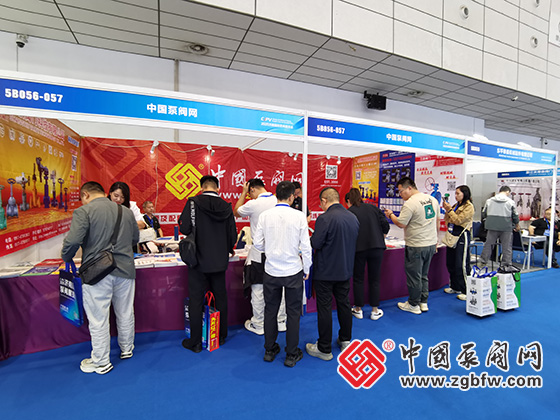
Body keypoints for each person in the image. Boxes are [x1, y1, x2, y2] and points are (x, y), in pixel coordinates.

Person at [61, 181, 139, 375]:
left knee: (98, 318)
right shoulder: (126, 212)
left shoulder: (84, 211)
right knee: (125, 311)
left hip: (97, 272)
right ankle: (127, 349)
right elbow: (135, 239)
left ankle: (101, 361)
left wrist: (66, 257)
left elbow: (73, 241)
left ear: (85, 194)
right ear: (104, 193)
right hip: (126, 269)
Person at [252, 181, 312, 367]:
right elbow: (306, 246)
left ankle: (269, 350)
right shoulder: (299, 216)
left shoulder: (265, 216)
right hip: (293, 270)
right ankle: (291, 354)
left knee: (270, 310)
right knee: (293, 312)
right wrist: (307, 268)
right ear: (292, 197)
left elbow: (257, 244)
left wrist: (270, 251)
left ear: (276, 195)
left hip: (271, 270)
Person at [179, 175, 237, 353]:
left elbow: (185, 228)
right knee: (221, 298)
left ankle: (196, 342)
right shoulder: (226, 206)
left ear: (202, 188)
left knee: (196, 300)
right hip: (219, 261)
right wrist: (227, 248)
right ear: (218, 188)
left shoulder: (192, 203)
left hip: (197, 260)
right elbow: (232, 235)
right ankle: (221, 335)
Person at [306, 187, 359, 361]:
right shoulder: (352, 217)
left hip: (326, 272)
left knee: (325, 308)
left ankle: (324, 347)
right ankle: (345, 340)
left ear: (324, 200)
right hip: (345, 270)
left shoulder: (325, 218)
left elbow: (316, 243)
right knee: (344, 305)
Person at [233, 178, 287, 335]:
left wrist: (243, 192)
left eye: (249, 192)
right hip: (279, 251)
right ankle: (280, 321)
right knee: (280, 287)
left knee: (258, 288)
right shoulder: (277, 200)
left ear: (252, 190)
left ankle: (258, 323)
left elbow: (236, 212)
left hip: (260, 253)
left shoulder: (253, 204)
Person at [384, 177, 439, 315]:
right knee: (424, 275)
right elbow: (437, 221)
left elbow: (401, 223)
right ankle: (423, 302)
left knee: (414, 276)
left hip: (416, 245)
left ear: (409, 188)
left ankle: (413, 304)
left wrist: (391, 215)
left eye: (401, 191)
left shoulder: (410, 203)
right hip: (430, 243)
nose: (400, 195)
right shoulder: (432, 199)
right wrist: (436, 240)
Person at [345, 188, 389, 321]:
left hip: (358, 249)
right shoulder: (373, 208)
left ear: (349, 200)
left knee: (358, 278)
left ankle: (358, 309)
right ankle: (375, 310)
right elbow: (385, 225)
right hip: (377, 247)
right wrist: (381, 237)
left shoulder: (349, 212)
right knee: (374, 279)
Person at [442, 185, 475, 301]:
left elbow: (458, 220)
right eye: (455, 193)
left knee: (461, 264)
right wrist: (448, 210)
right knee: (450, 262)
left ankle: (467, 290)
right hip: (452, 234)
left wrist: (450, 211)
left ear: (464, 194)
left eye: (458, 193)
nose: (456, 196)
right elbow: (448, 219)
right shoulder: (456, 205)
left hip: (462, 235)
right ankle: (455, 286)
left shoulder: (469, 207)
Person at [479, 185, 520, 272]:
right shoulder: (510, 202)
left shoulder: (489, 201)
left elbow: (484, 213)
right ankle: (506, 265)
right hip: (506, 227)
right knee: (507, 247)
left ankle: (482, 262)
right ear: (507, 192)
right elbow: (515, 215)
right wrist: (517, 225)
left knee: (488, 245)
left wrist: (488, 221)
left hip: (491, 226)